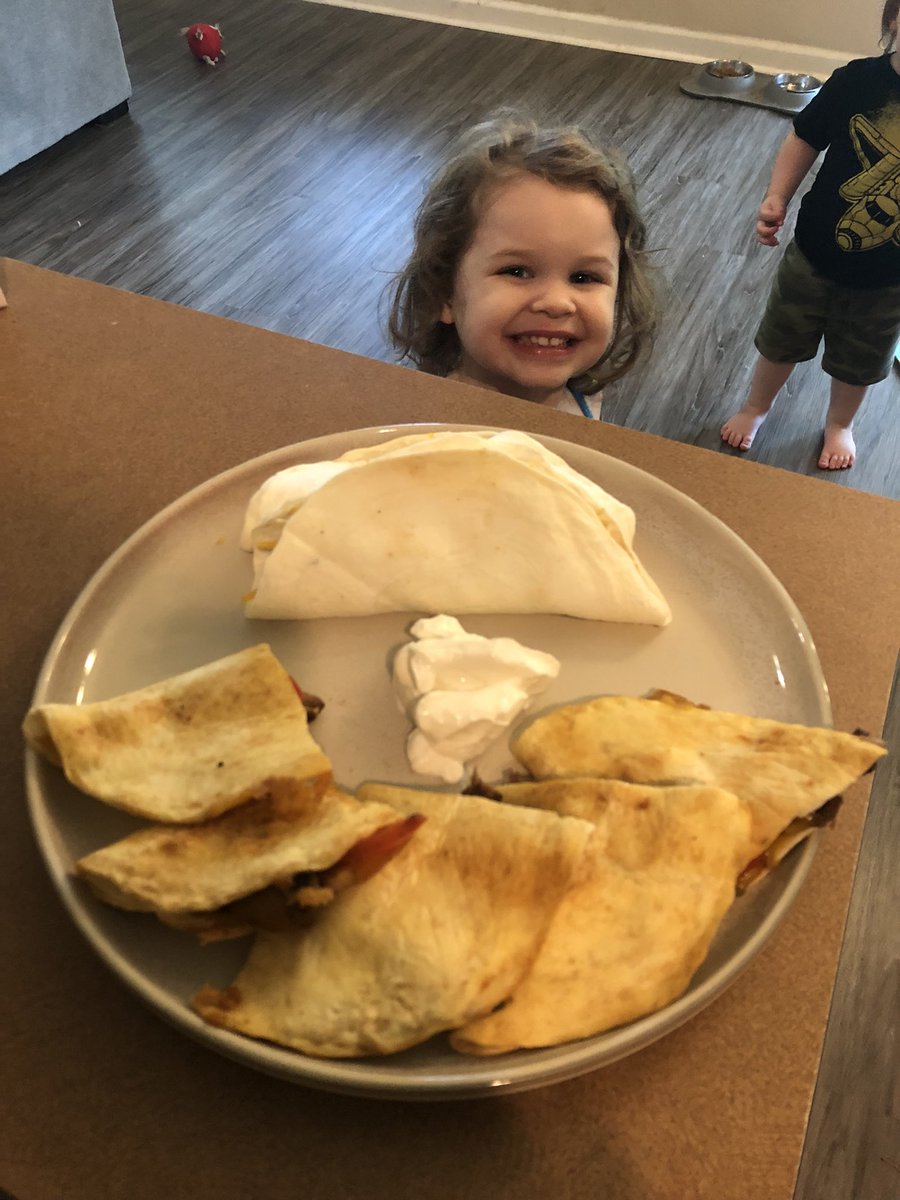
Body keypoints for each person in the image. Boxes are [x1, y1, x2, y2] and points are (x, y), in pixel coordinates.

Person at [721, 1, 900, 470]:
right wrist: (776, 196)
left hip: (890, 280)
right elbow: (804, 137)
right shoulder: (856, 81)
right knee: (781, 338)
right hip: (815, 252)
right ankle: (756, 406)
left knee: (860, 362)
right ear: (895, 19)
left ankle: (840, 424)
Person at [387, 115, 657, 419]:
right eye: (516, 271)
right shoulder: (433, 427)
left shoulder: (586, 399)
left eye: (584, 277)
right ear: (444, 292)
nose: (556, 303)